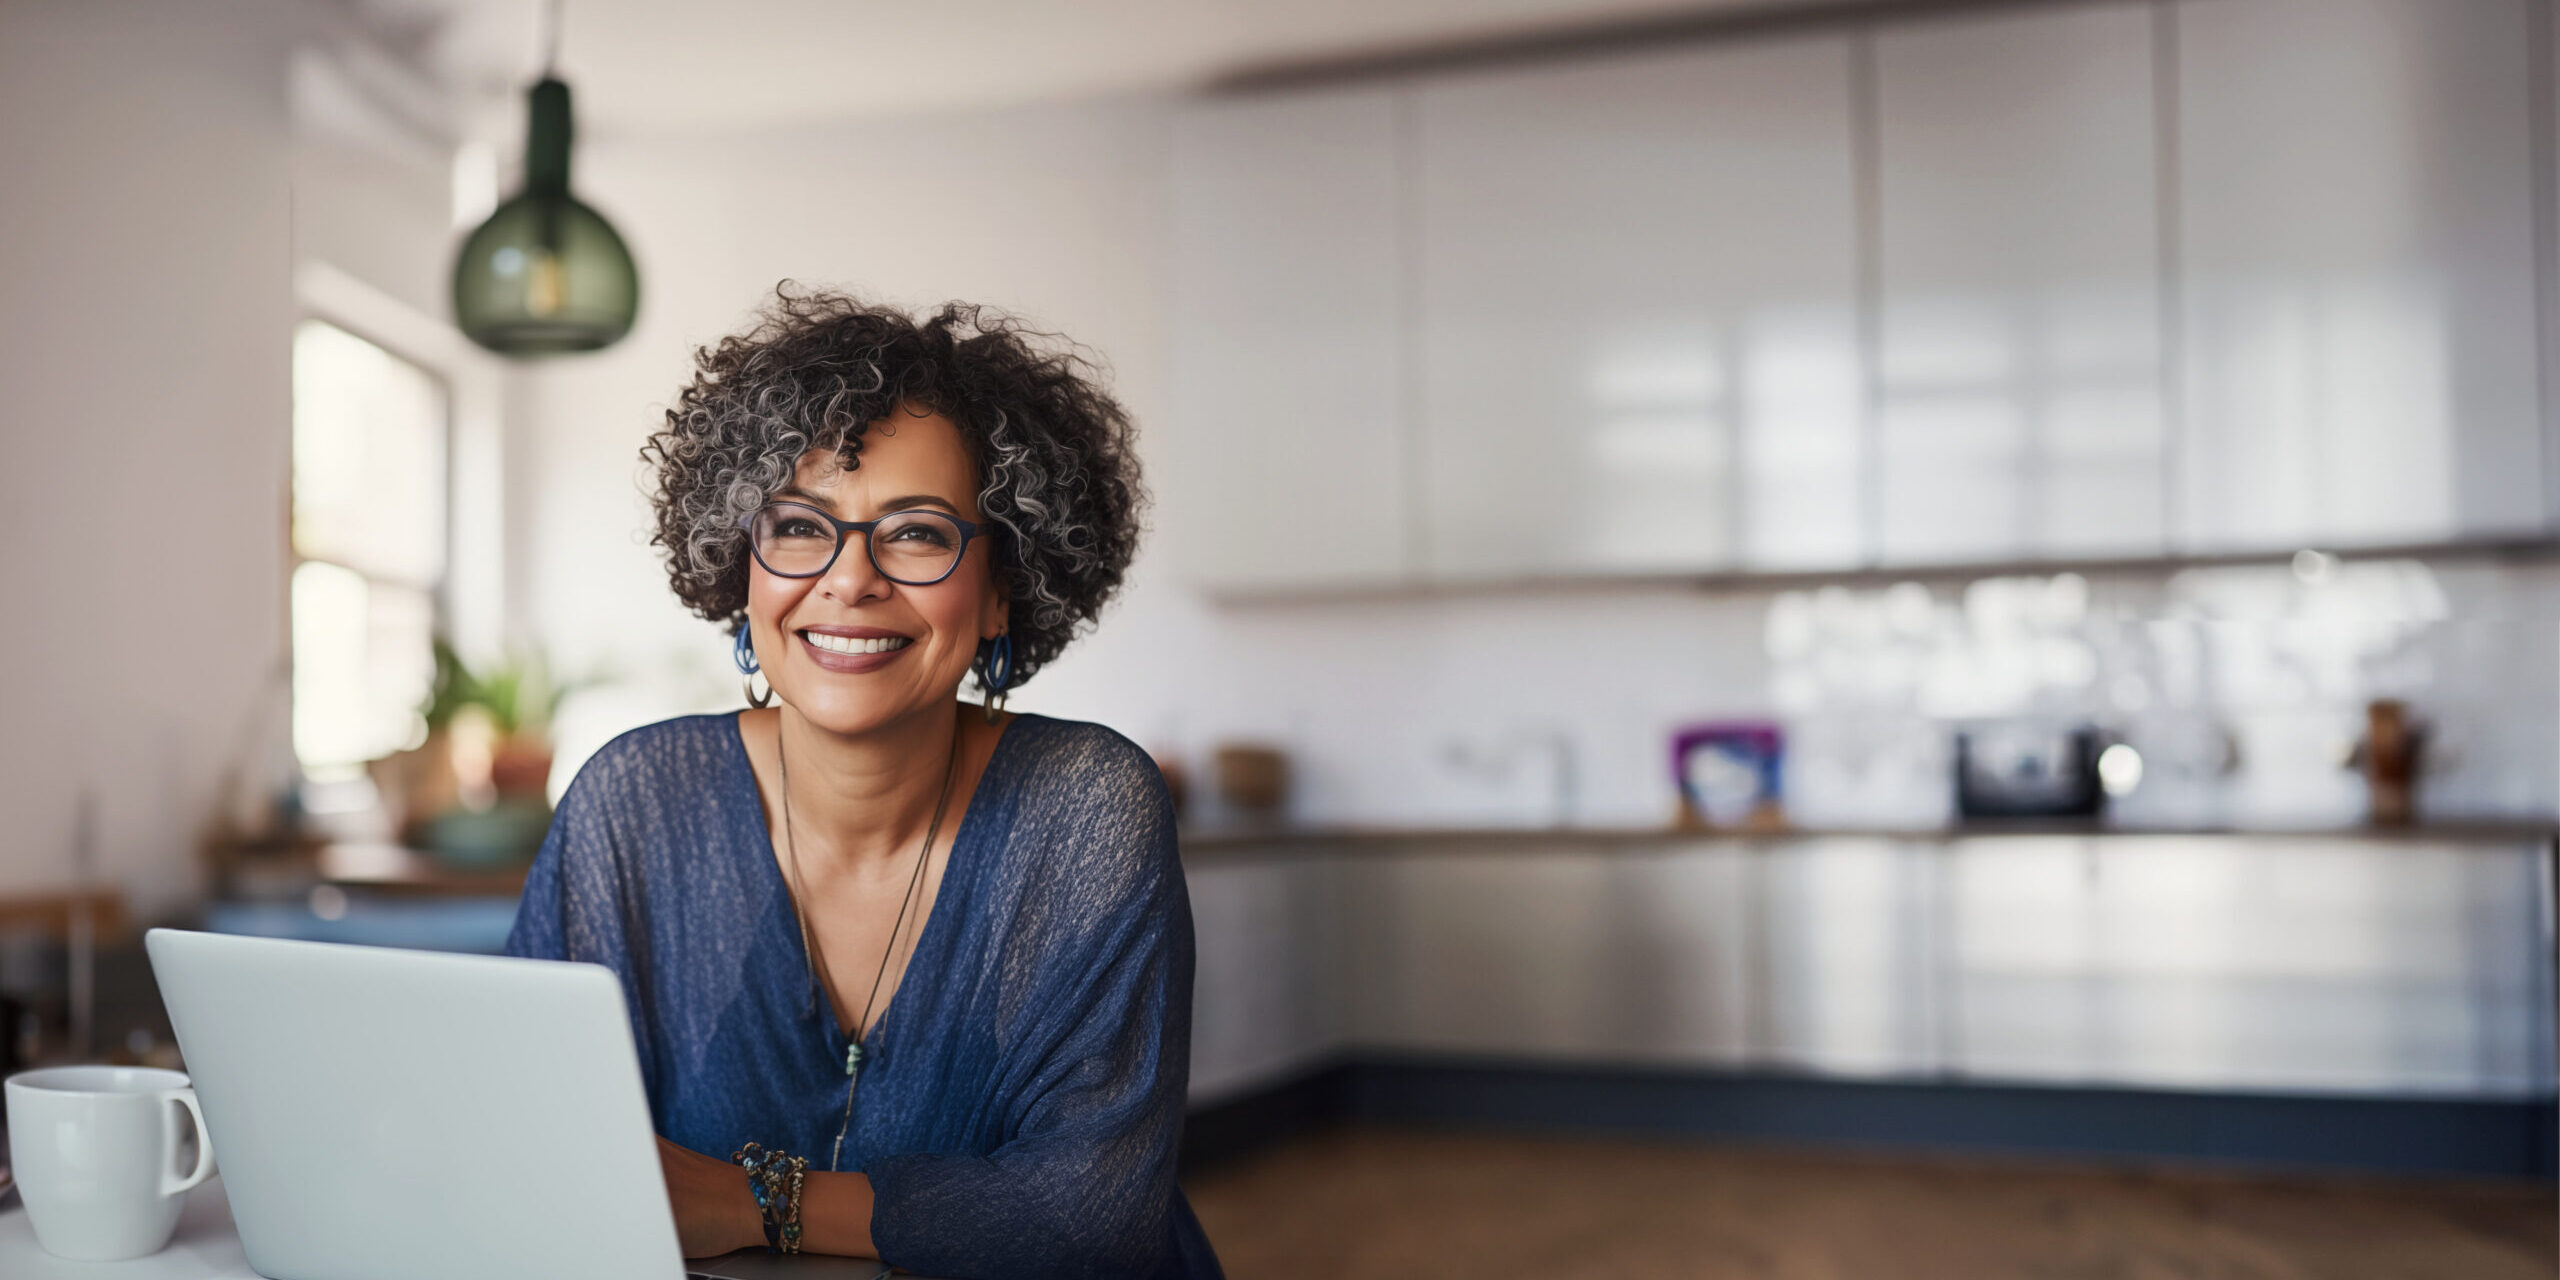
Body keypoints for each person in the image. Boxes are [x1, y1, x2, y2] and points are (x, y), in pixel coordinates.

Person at [506, 286, 1221, 1279]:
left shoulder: (1088, 807)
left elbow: (1087, 1216)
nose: (849, 579)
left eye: (918, 532)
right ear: (743, 570)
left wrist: (751, 1201)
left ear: (1002, 590)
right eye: (801, 526)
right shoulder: (633, 804)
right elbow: (530, 1139)